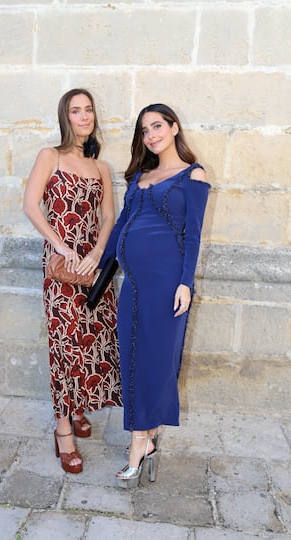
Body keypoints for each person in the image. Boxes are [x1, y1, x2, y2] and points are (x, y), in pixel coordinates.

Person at [99, 103, 210, 488]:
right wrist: (95, 265)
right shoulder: (140, 176)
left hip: (167, 286)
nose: (151, 135)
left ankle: (138, 444)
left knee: (155, 362)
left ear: (174, 127)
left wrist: (186, 283)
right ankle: (146, 439)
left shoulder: (193, 176)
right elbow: (121, 229)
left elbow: (193, 234)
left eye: (157, 126)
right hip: (134, 284)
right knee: (132, 359)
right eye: (145, 131)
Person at [23, 88, 122, 474]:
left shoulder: (101, 167)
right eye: (76, 111)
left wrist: (96, 253)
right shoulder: (51, 156)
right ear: (65, 117)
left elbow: (109, 217)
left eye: (89, 110)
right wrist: (63, 248)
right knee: (64, 346)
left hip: (93, 268)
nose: (84, 117)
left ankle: (78, 407)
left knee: (91, 339)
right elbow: (31, 206)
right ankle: (63, 429)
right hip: (63, 267)